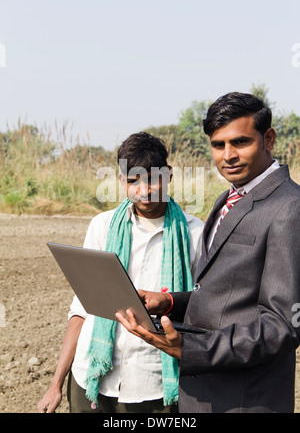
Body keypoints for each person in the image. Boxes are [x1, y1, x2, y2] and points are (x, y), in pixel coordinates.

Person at [116, 92, 300, 413]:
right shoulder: (228, 199)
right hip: (204, 395)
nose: (228, 155)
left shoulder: (289, 207)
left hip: (244, 399)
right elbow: (227, 296)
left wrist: (192, 348)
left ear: (268, 138)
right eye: (218, 145)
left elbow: (282, 325)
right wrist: (171, 302)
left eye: (240, 142)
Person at [38, 131, 204, 413]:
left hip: (155, 384)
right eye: (132, 181)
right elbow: (82, 307)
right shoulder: (102, 227)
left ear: (169, 175)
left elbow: (203, 305)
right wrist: (55, 384)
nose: (144, 190)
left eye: (153, 180)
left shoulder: (195, 233)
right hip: (93, 376)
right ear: (121, 181)